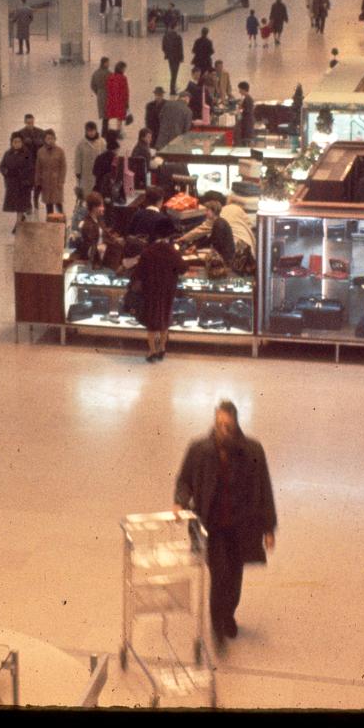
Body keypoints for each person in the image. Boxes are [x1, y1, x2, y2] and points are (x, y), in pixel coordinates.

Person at [173, 400, 277, 648]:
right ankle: (217, 625)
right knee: (219, 576)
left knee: (234, 577)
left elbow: (264, 489)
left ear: (235, 424)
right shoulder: (199, 450)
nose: (223, 430)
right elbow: (184, 479)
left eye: (227, 426)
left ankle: (228, 614)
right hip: (211, 527)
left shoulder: (252, 451)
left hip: (239, 527)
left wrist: (268, 529)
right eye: (219, 425)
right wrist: (179, 501)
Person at [132, 230, 187, 362]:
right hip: (167, 290)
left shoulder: (148, 251)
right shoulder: (172, 251)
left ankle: (152, 351)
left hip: (150, 290)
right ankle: (162, 348)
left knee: (151, 321)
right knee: (164, 317)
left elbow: (139, 272)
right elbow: (183, 268)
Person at [0, 133, 34, 234]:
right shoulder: (7, 154)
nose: (17, 144)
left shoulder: (27, 154)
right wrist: (6, 172)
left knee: (20, 206)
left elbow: (30, 168)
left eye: (18, 142)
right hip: (12, 184)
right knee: (15, 205)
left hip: (23, 184)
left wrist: (26, 179)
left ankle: (18, 224)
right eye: (14, 142)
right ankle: (21, 218)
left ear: (22, 143)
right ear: (11, 143)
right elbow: (1, 166)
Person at [33, 129, 68, 217]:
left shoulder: (60, 151)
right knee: (48, 204)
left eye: (52, 138)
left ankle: (62, 221)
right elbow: (38, 167)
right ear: (44, 139)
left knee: (58, 203)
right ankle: (50, 223)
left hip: (56, 182)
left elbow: (63, 167)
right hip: (45, 182)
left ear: (55, 139)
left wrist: (61, 181)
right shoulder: (40, 151)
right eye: (48, 138)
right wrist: (37, 181)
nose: (50, 140)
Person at [18, 114, 48, 211]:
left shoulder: (41, 132)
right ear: (25, 122)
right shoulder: (20, 134)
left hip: (38, 163)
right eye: (28, 123)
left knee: (38, 184)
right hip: (26, 163)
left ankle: (35, 199)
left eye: (32, 123)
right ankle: (29, 204)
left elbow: (45, 145)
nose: (30, 125)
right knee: (27, 185)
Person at [74, 121, 106, 201]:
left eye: (92, 130)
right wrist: (78, 172)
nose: (91, 133)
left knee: (97, 195)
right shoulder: (81, 143)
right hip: (86, 174)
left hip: (99, 174)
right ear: (86, 131)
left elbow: (105, 156)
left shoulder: (102, 142)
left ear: (96, 130)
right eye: (89, 131)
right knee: (86, 196)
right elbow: (78, 158)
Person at [92, 131, 126, 204]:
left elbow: (94, 172)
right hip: (109, 190)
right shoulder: (115, 160)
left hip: (98, 188)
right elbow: (117, 176)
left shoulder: (99, 157)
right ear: (115, 150)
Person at [73, 191, 107, 264]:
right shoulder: (87, 224)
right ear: (94, 208)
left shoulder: (100, 219)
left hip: (101, 254)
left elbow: (105, 236)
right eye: (101, 206)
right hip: (91, 258)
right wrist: (101, 248)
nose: (103, 208)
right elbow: (88, 246)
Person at [105, 61, 130, 132]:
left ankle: (110, 131)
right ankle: (118, 131)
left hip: (112, 100)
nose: (125, 70)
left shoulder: (111, 77)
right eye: (124, 68)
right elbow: (125, 91)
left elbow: (108, 88)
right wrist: (127, 102)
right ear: (121, 69)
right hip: (120, 100)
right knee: (119, 118)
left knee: (111, 116)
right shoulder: (123, 78)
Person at [161, 20, 185, 93]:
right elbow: (180, 48)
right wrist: (181, 58)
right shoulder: (178, 37)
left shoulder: (166, 36)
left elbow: (163, 47)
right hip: (176, 57)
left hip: (170, 57)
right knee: (174, 73)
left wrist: (167, 53)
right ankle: (172, 89)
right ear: (175, 27)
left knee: (172, 72)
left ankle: (174, 86)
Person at [89, 57, 112, 122]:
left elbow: (92, 85)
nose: (108, 64)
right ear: (104, 63)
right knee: (107, 114)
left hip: (100, 94)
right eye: (107, 63)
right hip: (107, 94)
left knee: (103, 113)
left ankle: (104, 129)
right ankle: (105, 130)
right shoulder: (109, 73)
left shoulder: (96, 73)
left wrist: (98, 92)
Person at [235, 81, 256, 146]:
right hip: (248, 121)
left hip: (247, 122)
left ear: (243, 89)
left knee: (246, 140)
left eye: (240, 89)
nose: (239, 91)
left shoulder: (247, 98)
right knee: (246, 140)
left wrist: (240, 108)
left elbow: (247, 110)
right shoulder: (247, 98)